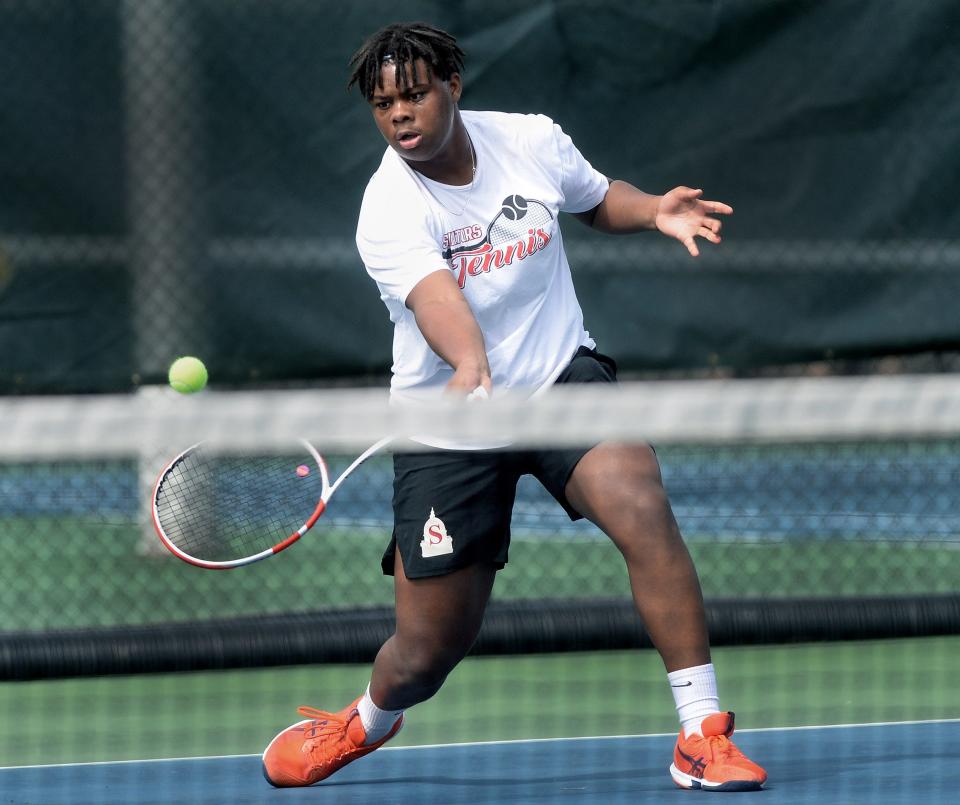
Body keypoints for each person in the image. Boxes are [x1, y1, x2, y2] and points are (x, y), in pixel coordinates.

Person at [262, 21, 767, 793]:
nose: (399, 114)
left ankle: (701, 730)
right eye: (382, 103)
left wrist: (653, 209)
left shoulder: (529, 141)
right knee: (429, 648)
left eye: (414, 94)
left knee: (639, 499)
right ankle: (366, 719)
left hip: (558, 376)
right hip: (450, 422)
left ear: (452, 87)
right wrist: (468, 359)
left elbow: (596, 199)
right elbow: (437, 300)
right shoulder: (387, 206)